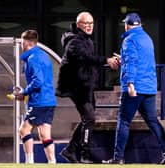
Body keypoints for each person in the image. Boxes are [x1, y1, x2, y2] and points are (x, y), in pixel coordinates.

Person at [56, 11, 120, 163]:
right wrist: (106, 60)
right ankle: (85, 155)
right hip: (77, 87)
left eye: (91, 23)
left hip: (86, 86)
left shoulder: (86, 40)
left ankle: (70, 150)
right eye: (86, 23)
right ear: (79, 25)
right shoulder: (74, 42)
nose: (89, 26)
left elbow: (90, 61)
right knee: (90, 118)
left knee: (88, 119)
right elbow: (85, 58)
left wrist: (109, 62)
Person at [103, 13, 165, 164]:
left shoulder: (129, 40)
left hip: (135, 87)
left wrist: (130, 84)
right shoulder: (147, 38)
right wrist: (124, 59)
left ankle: (118, 158)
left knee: (123, 121)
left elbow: (132, 63)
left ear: (127, 25)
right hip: (149, 88)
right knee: (152, 121)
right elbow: (140, 60)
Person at [14, 29, 57, 164]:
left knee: (23, 129)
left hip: (39, 102)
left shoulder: (32, 59)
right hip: (49, 100)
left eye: (22, 43)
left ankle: (29, 162)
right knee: (45, 133)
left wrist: (24, 92)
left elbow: (38, 81)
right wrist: (25, 92)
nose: (21, 45)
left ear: (26, 42)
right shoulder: (43, 55)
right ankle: (52, 162)